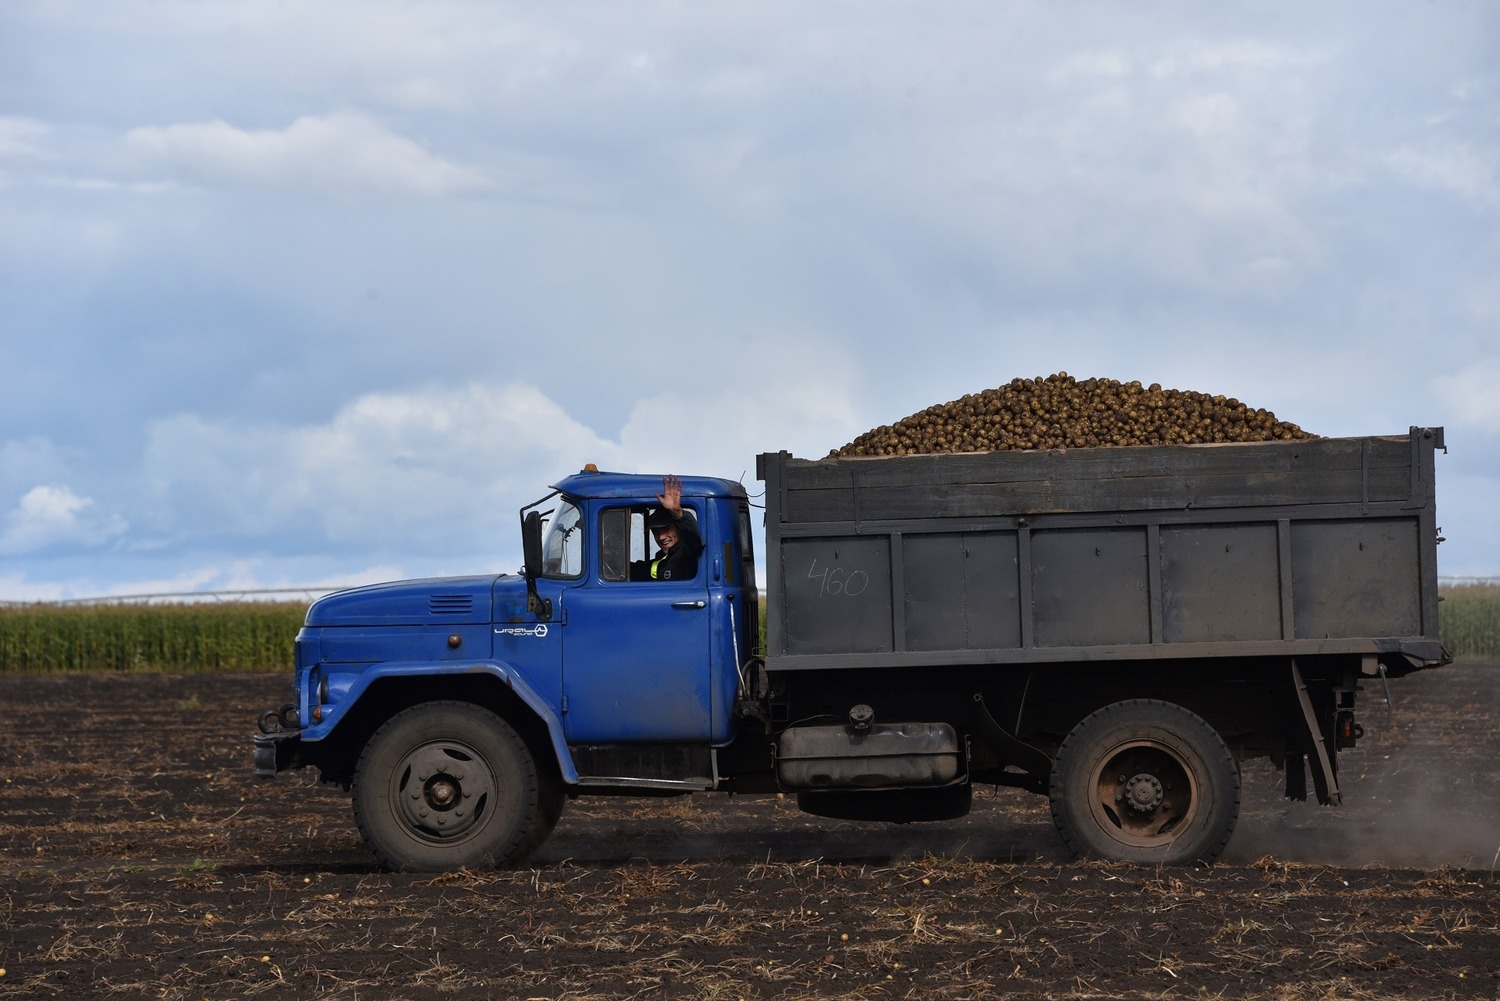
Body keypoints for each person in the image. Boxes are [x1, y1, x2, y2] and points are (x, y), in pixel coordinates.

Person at [630, 474, 704, 581]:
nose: (661, 537)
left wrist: (678, 514)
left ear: (678, 527)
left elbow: (694, 538)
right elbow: (635, 571)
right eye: (655, 532)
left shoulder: (688, 554)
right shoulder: (660, 562)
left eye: (666, 529)